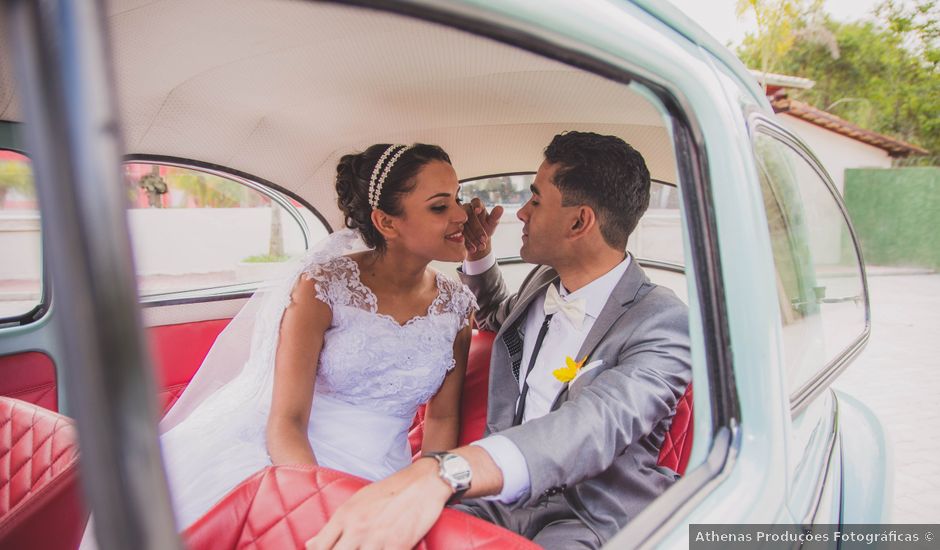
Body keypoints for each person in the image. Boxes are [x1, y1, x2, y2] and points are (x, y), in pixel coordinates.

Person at [307, 132, 692, 550]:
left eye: (536, 200)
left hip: (591, 511)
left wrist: (446, 470)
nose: (521, 213)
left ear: (579, 221)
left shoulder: (663, 321)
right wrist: (478, 254)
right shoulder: (544, 281)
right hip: (498, 499)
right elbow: (493, 314)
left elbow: (597, 421)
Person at [136, 144, 476, 533]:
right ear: (386, 222)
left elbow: (444, 417)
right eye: (440, 206)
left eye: (459, 199)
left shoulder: (456, 305)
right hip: (294, 458)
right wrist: (318, 503)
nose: (462, 215)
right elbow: (287, 421)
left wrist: (429, 492)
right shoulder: (322, 288)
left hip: (385, 474)